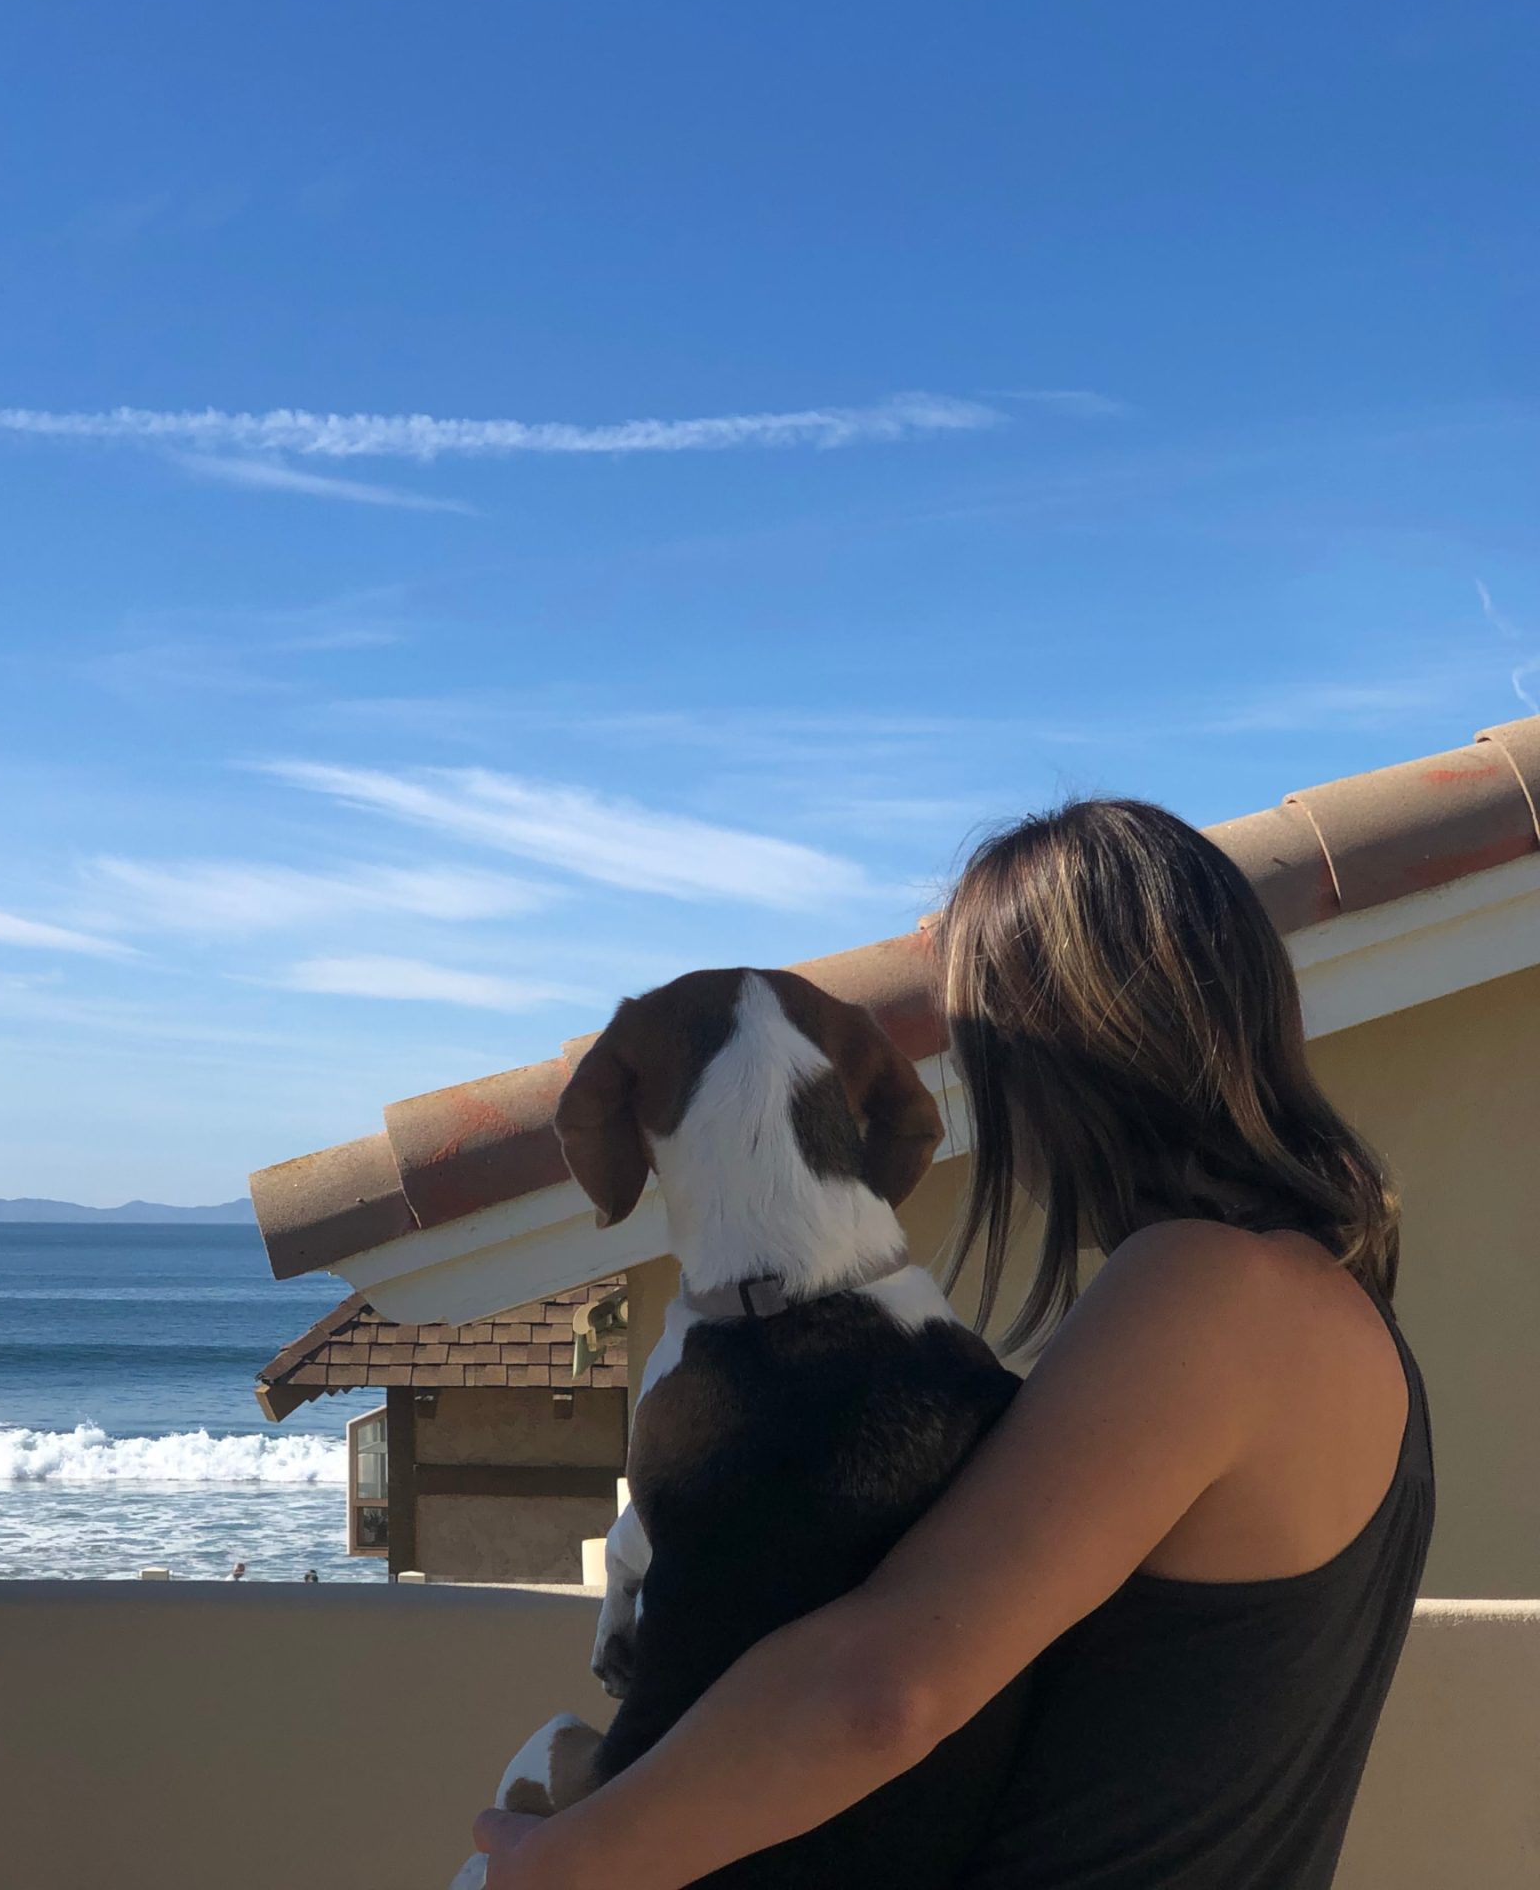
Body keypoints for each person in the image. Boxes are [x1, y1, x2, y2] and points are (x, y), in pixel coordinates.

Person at [476, 798, 1430, 1890]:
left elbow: (880, 1692)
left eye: (974, 1043)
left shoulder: (1211, 1291)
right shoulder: (1335, 1312)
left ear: (1044, 1053)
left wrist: (558, 1866)